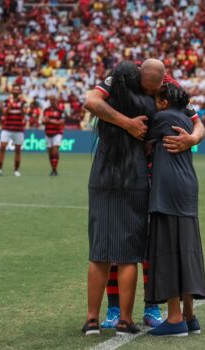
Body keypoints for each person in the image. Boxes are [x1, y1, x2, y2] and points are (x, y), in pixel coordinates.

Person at [88, 59, 205, 329]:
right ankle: (114, 309)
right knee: (120, 243)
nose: (152, 96)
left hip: (154, 174)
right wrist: (127, 123)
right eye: (147, 90)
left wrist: (192, 139)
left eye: (156, 92)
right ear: (139, 77)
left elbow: (198, 124)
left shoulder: (170, 87)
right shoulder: (120, 79)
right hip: (124, 170)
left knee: (150, 244)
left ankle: (151, 306)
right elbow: (91, 101)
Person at [82, 61, 156, 336]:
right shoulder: (147, 105)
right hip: (134, 178)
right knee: (128, 256)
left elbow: (92, 101)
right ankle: (125, 319)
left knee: (99, 252)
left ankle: (92, 319)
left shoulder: (107, 102)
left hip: (102, 176)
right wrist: (130, 125)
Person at [145, 83, 205, 336]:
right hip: (187, 188)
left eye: (156, 99)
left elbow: (140, 137)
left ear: (163, 101)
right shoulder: (185, 118)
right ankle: (190, 316)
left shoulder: (162, 118)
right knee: (187, 249)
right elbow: (200, 127)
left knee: (168, 249)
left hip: (168, 190)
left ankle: (174, 318)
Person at [0, 85, 27, 177]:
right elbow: (4, 112)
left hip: (18, 129)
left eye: (17, 89)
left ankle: (16, 170)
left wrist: (20, 106)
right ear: (11, 91)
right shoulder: (6, 101)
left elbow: (24, 114)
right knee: (2, 147)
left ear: (19, 91)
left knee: (18, 150)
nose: (16, 91)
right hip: (7, 128)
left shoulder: (23, 102)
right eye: (14, 89)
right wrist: (11, 105)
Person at [42, 95, 65, 176]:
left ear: (56, 100)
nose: (52, 101)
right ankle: (53, 169)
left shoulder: (60, 111)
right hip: (48, 133)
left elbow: (61, 122)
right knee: (50, 153)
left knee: (55, 151)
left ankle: (55, 169)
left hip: (57, 133)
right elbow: (43, 121)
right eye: (50, 100)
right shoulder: (45, 110)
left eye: (53, 100)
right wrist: (45, 121)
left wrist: (49, 121)